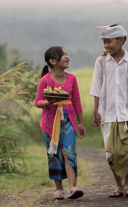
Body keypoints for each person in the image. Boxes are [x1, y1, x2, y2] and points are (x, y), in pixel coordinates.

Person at [90, 24, 128, 198]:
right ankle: (119, 186)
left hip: (127, 114)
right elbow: (96, 87)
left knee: (126, 149)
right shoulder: (100, 62)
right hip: (107, 113)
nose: (106, 45)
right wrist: (95, 111)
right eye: (104, 42)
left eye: (109, 41)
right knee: (111, 151)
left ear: (121, 40)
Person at [35, 46, 86, 200]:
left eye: (67, 54)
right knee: (54, 154)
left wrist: (81, 122)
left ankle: (72, 187)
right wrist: (49, 102)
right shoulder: (45, 80)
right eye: (63, 55)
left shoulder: (72, 78)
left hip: (68, 120)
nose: (67, 57)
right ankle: (59, 189)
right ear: (52, 61)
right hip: (50, 122)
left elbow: (76, 101)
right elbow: (38, 102)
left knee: (69, 152)